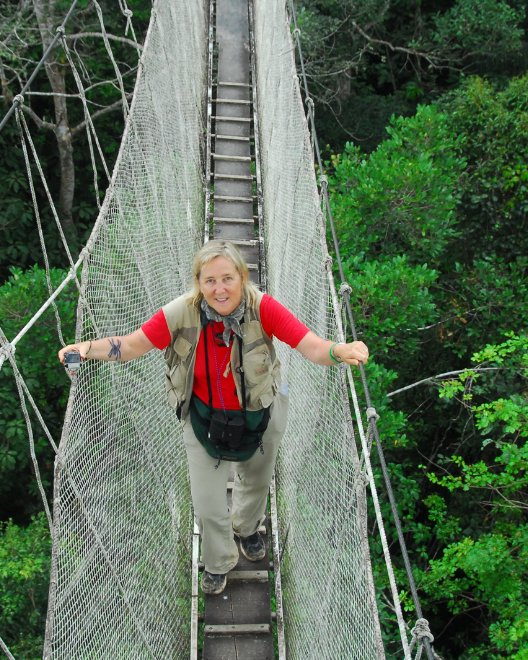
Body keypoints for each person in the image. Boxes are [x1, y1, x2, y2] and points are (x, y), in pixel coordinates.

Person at [57, 239, 369, 594]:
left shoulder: (263, 308)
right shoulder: (181, 312)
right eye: (209, 280)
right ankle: (220, 560)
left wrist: (339, 350)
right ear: (198, 283)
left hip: (261, 412)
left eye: (227, 278)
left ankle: (247, 528)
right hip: (204, 417)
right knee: (206, 503)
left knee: (256, 482)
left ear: (242, 276)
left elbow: (310, 346)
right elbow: (130, 346)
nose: (219, 289)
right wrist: (87, 348)